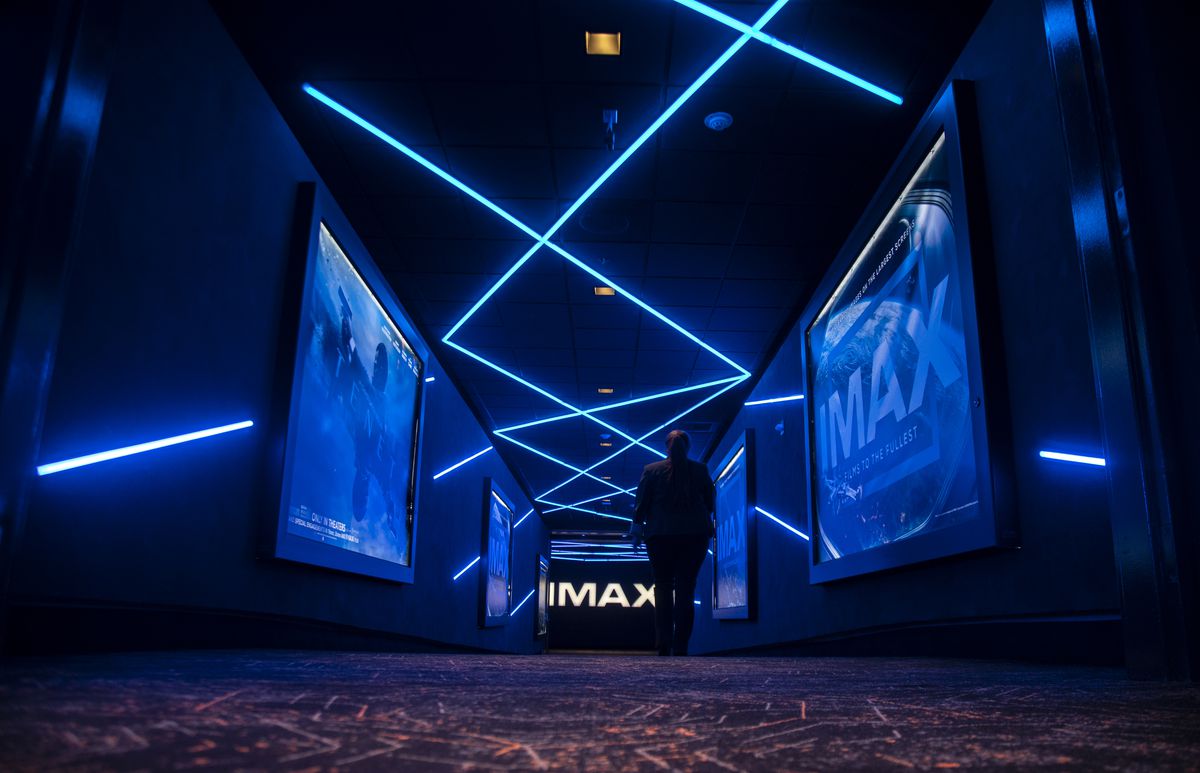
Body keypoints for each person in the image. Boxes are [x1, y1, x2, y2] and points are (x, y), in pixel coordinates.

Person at [630, 429, 715, 656]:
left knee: (663, 587)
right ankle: (681, 646)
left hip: (660, 536)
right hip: (694, 536)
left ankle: (663, 642)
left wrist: (636, 532)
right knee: (686, 589)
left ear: (667, 447)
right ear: (687, 447)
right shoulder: (700, 470)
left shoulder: (651, 470)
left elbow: (641, 504)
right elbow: (710, 502)